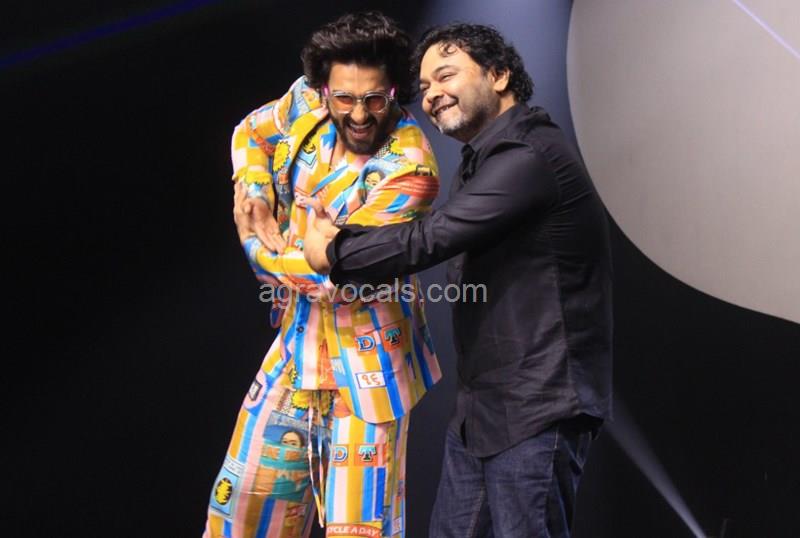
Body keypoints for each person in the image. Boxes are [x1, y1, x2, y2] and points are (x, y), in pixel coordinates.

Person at [303, 23, 613, 538]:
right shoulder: (483, 161)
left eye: (445, 76)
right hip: (483, 412)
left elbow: (431, 237)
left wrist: (334, 250)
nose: (432, 95)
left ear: (499, 75)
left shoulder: (529, 154)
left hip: (538, 406)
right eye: (424, 87)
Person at [203, 12, 442, 538]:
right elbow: (250, 132)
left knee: (359, 531)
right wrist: (256, 193)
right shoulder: (306, 101)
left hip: (368, 374)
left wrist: (253, 242)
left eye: (374, 99)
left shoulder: (411, 169)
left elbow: (335, 274)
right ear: (323, 89)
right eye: (344, 98)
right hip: (294, 356)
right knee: (239, 517)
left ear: (394, 90)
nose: (358, 114)